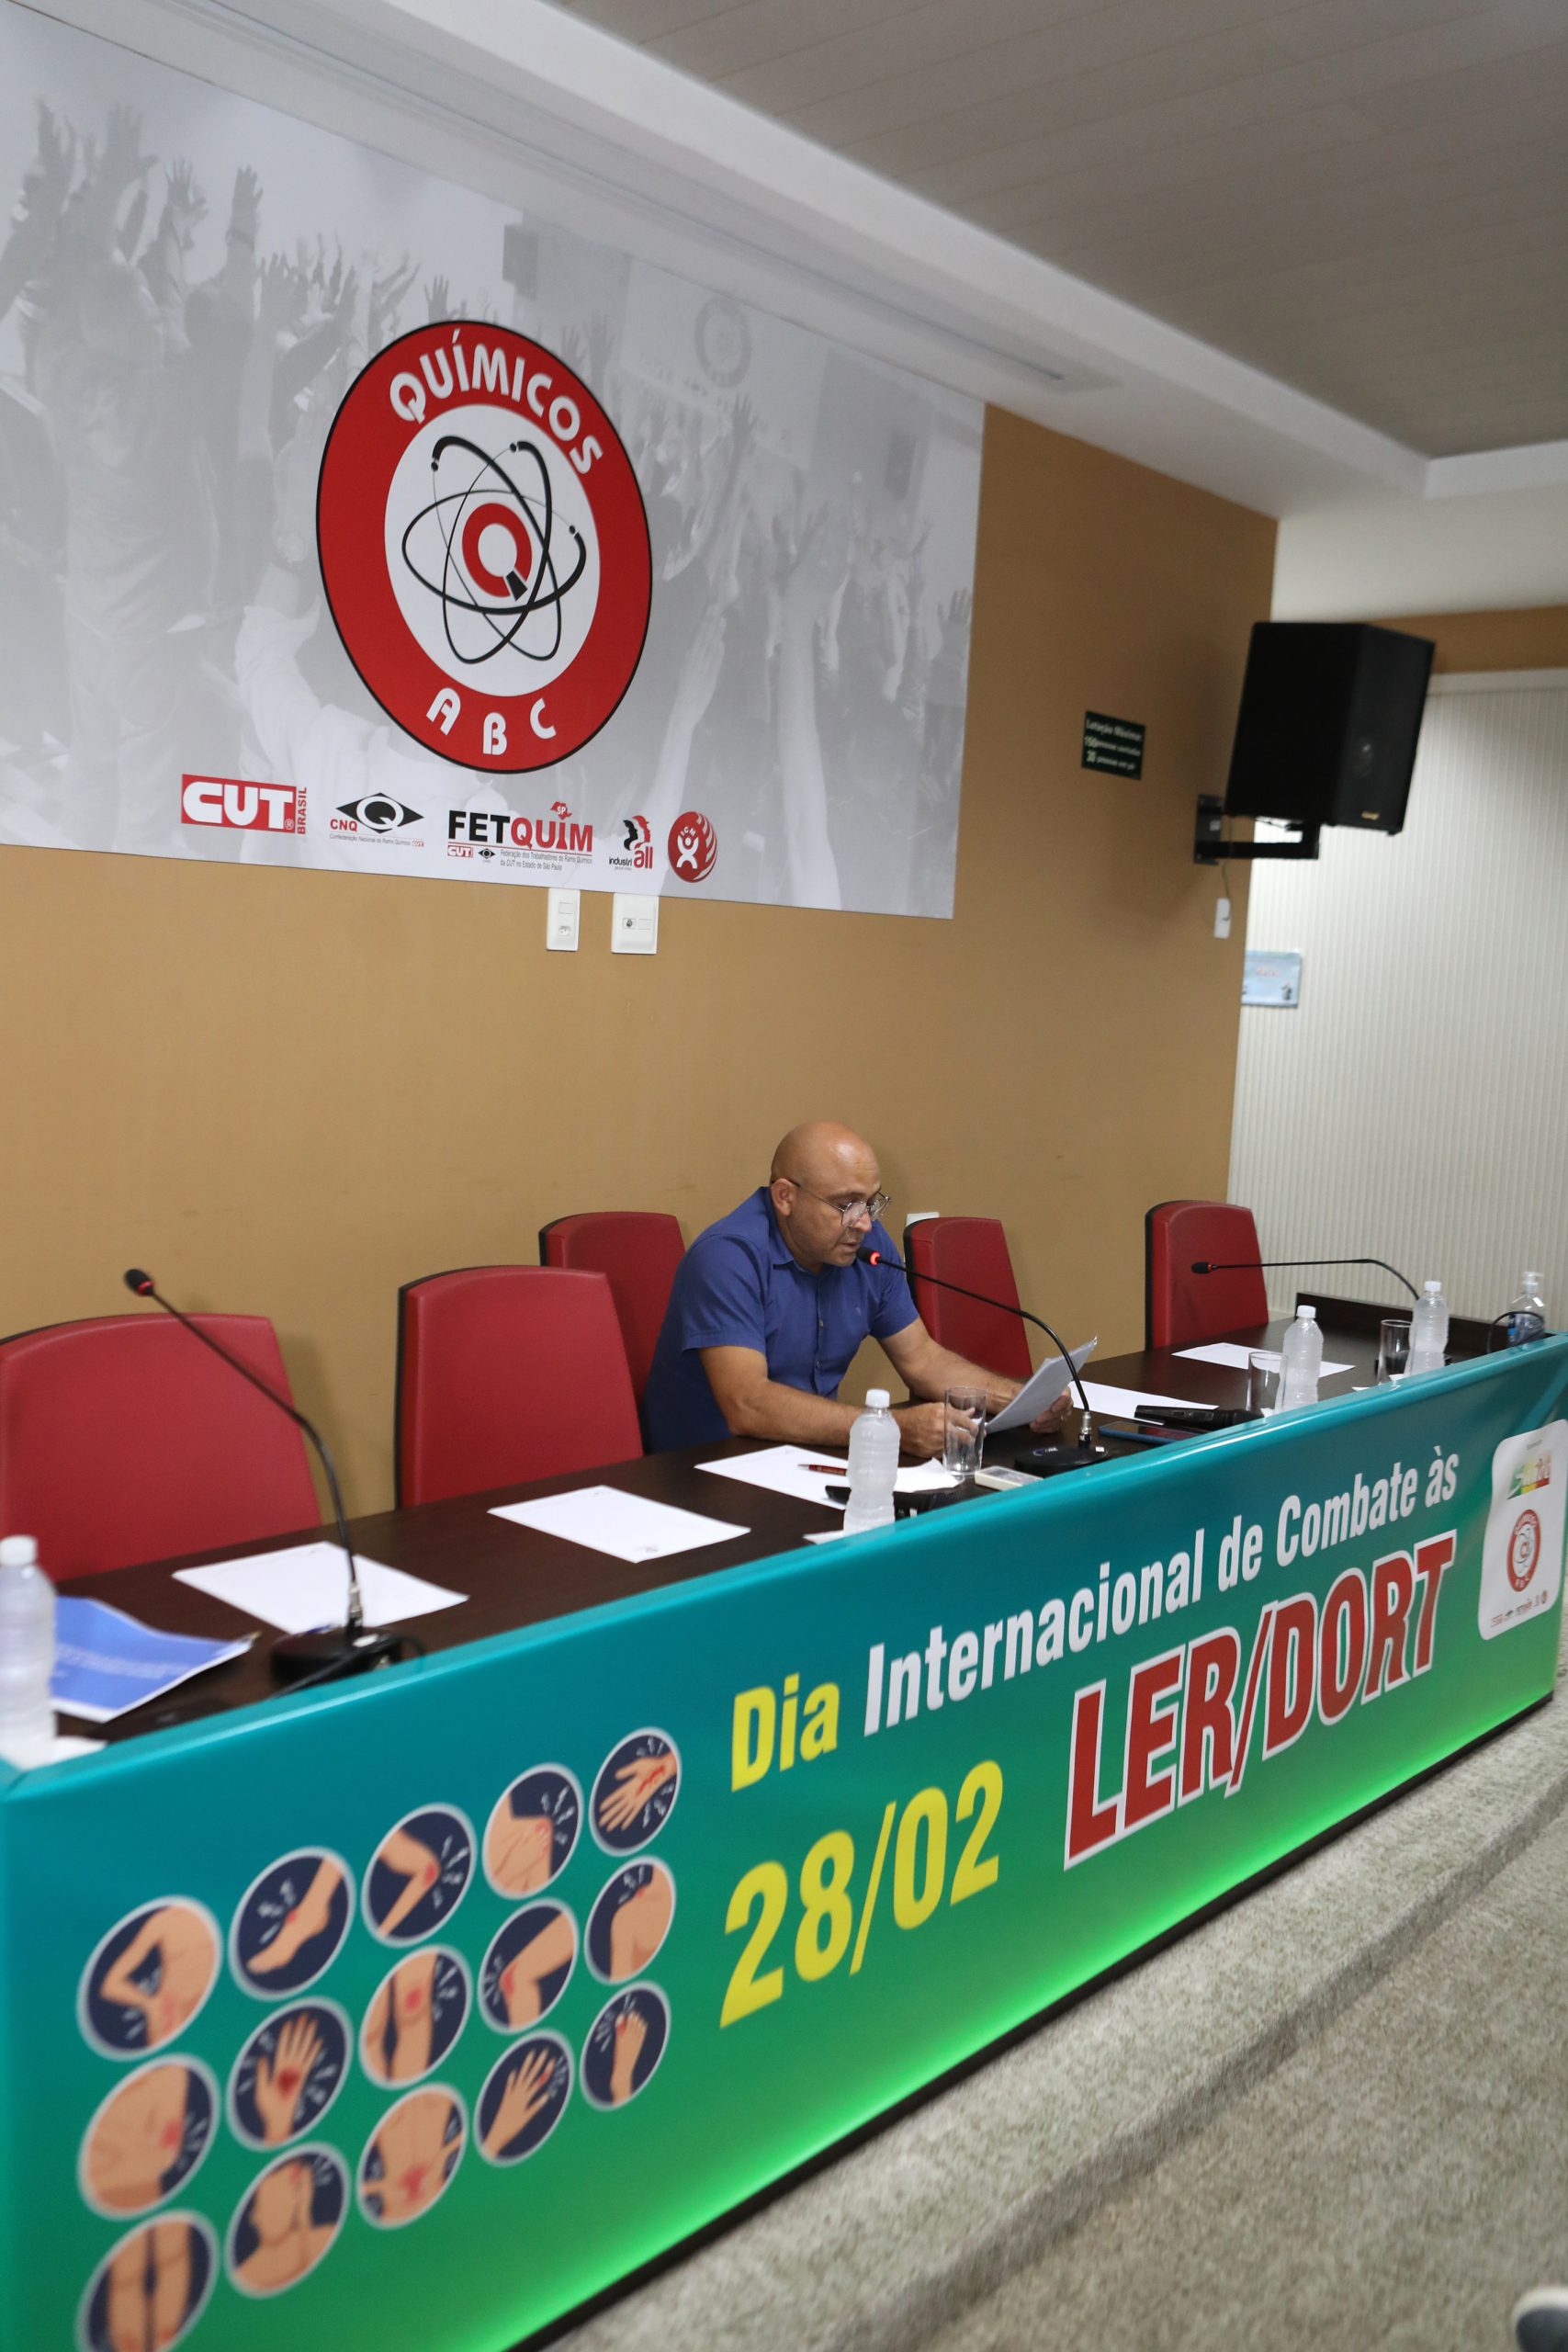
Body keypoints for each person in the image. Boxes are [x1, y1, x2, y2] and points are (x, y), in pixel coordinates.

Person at [642, 1122, 1072, 1456]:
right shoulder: (728, 1257)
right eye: (847, 1205)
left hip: (800, 1457)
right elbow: (748, 1403)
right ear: (785, 1197)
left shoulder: (866, 1245)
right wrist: (889, 1428)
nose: (864, 1222)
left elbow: (921, 1359)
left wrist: (1018, 1399)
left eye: (872, 1202)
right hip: (704, 1474)